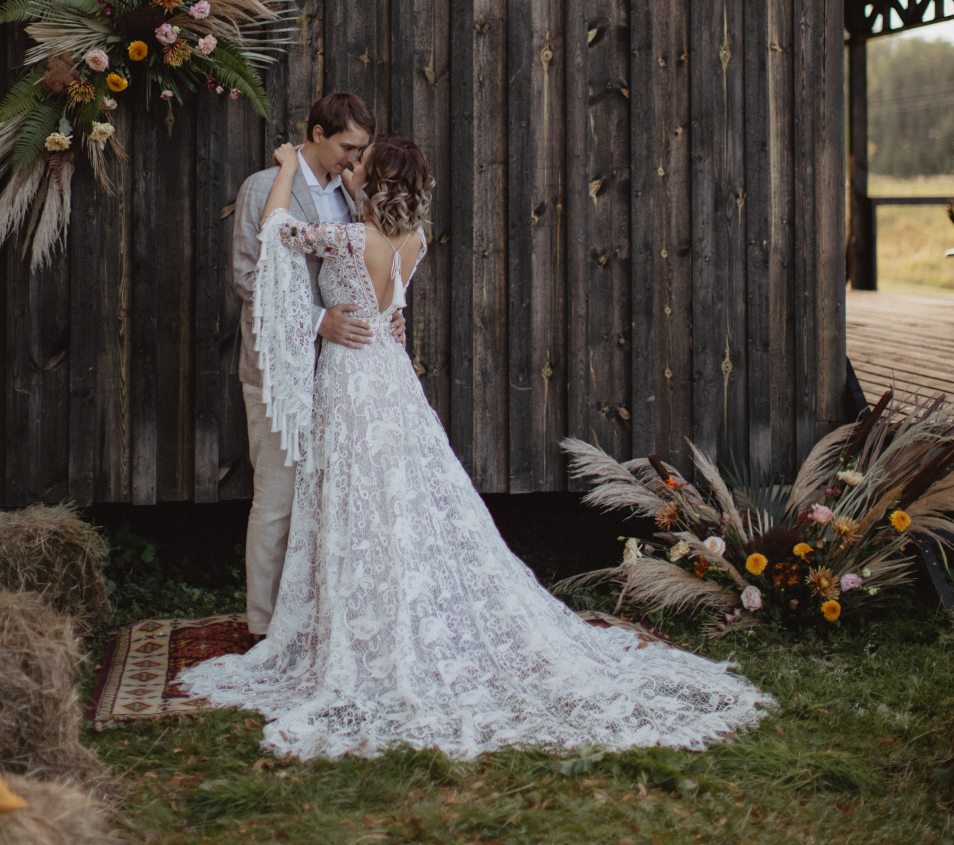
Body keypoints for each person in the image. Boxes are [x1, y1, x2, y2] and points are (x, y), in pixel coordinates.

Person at [183, 136, 766, 758]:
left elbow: (276, 229)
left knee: (354, 492)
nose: (351, 168)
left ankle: (362, 623)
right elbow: (388, 299)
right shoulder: (415, 240)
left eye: (361, 165)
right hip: (390, 373)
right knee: (394, 494)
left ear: (375, 183)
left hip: (351, 378)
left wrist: (284, 167)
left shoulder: (348, 240)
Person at [232, 91, 405, 636]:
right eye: (348, 147)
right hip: (281, 371)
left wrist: (389, 317)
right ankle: (263, 626)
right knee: (278, 501)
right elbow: (249, 277)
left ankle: (316, 621)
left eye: (362, 150)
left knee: (333, 501)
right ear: (317, 134)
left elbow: (378, 263)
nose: (356, 159)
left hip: (344, 377)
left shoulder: (356, 195)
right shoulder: (265, 186)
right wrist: (317, 321)